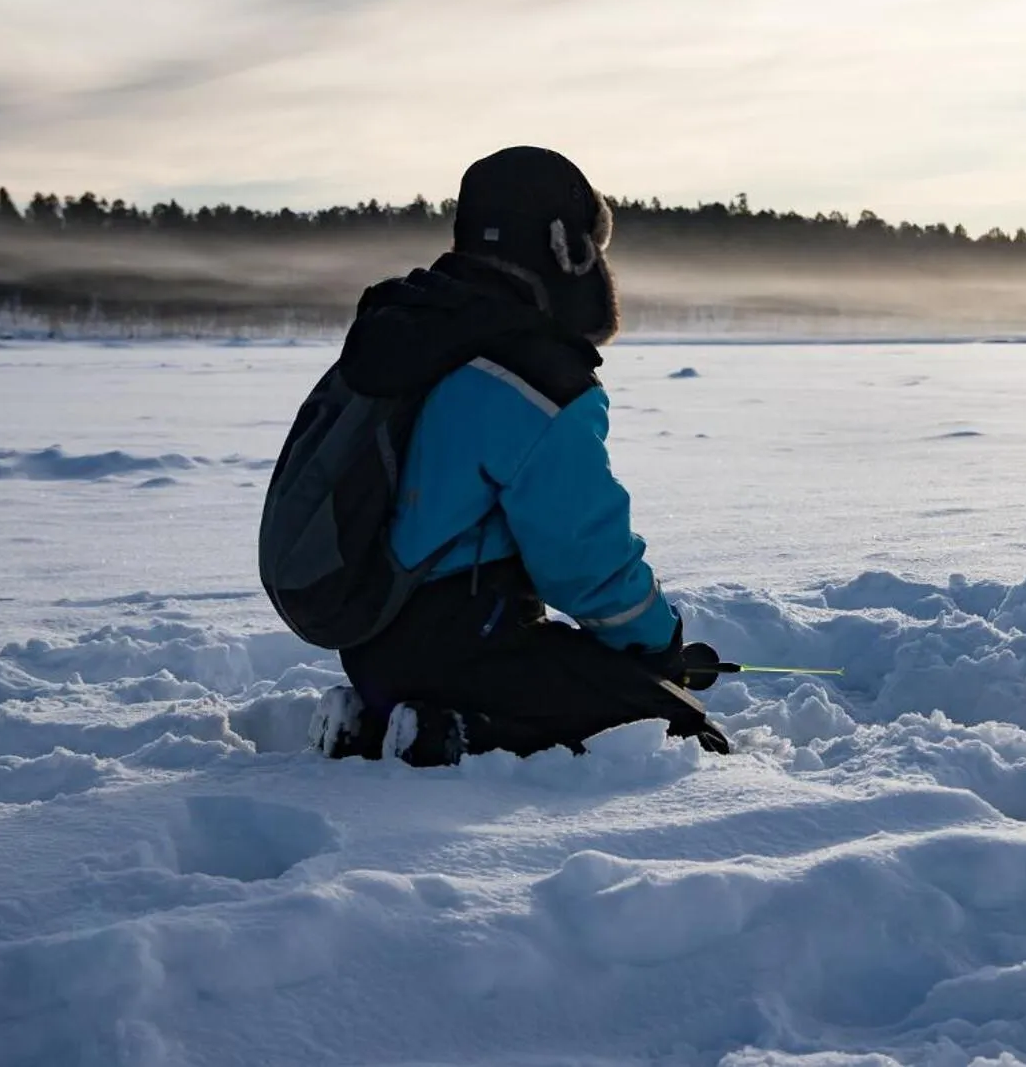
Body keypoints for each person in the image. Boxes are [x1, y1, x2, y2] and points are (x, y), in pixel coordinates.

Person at [306, 146, 730, 766]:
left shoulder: (416, 337)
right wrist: (657, 649)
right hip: (469, 646)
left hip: (372, 641)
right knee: (677, 727)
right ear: (566, 247)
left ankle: (375, 719)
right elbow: (584, 559)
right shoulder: (533, 376)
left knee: (574, 672)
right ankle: (449, 732)